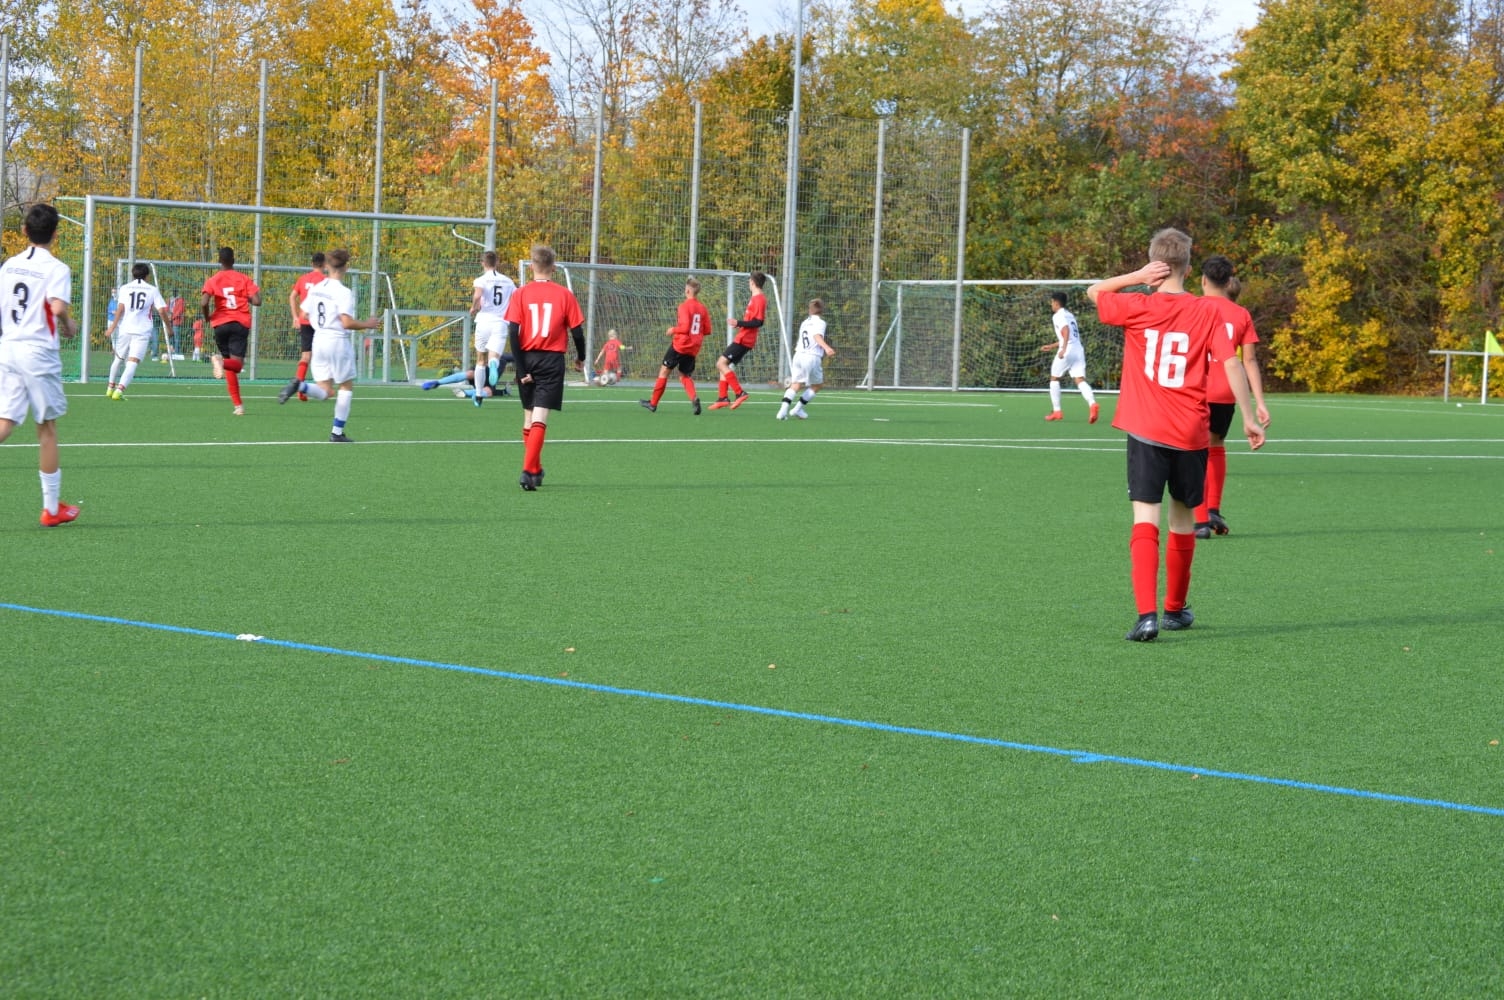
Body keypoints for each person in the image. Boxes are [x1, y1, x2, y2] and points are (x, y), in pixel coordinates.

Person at [1087, 227, 1266, 642]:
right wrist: (1248, 417)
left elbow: (1095, 291)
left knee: (1145, 517)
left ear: (1156, 265)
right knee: (1183, 520)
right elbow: (1232, 363)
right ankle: (1174, 609)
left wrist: (1137, 276)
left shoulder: (1137, 305)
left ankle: (1146, 616)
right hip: (1190, 431)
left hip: (1146, 428)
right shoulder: (1208, 311)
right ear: (1189, 268)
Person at [0, 204, 80, 526]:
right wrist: (69, 323)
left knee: (5, 420)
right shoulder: (56, 268)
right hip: (37, 351)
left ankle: (53, 507)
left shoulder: (9, 265)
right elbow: (56, 306)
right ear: (55, 234)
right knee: (46, 428)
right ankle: (51, 508)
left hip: (8, 347)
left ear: (24, 230)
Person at [1195, 258, 1270, 538]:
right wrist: (1259, 403)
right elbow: (1249, 361)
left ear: (1203, 280)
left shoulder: (1192, 307)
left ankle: (1199, 520)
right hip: (1227, 390)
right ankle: (1213, 508)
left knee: (1194, 451)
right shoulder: (1240, 314)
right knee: (1216, 445)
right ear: (1229, 282)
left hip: (1195, 389)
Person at [276, 249, 382, 442]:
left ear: (327, 266)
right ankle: (337, 433)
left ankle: (300, 385)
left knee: (326, 391)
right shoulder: (344, 292)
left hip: (319, 341)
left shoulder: (317, 287)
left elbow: (304, 314)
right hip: (337, 341)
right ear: (346, 267)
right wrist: (367, 324)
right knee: (346, 386)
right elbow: (346, 323)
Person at [505, 244, 585, 490]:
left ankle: (535, 469)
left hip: (526, 358)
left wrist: (521, 368)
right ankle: (527, 470)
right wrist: (581, 357)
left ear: (531, 267)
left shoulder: (520, 294)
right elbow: (577, 332)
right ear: (554, 268)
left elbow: (513, 332)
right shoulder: (565, 295)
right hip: (551, 360)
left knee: (529, 415)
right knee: (539, 416)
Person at [201, 246, 262, 415]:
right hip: (239, 323)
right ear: (233, 260)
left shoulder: (213, 280)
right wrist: (245, 297)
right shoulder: (243, 278)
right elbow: (257, 301)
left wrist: (207, 317)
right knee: (237, 365)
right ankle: (220, 361)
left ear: (219, 261)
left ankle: (238, 406)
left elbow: (204, 302)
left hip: (220, 324)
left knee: (229, 365)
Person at [640, 278, 712, 414]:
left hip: (680, 345)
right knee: (685, 375)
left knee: (664, 372)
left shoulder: (684, 306)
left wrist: (672, 330)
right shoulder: (703, 308)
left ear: (688, 290)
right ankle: (694, 398)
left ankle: (653, 403)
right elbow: (707, 330)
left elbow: (685, 327)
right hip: (693, 348)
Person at [103, 262, 171, 400]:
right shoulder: (152, 290)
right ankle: (119, 391)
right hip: (142, 330)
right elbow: (162, 310)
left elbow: (120, 309)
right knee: (132, 361)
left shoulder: (125, 288)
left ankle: (110, 388)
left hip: (125, 328)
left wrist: (112, 327)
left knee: (118, 358)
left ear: (133, 274)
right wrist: (169, 327)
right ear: (147, 276)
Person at [710, 271, 767, 409]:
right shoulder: (755, 297)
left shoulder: (759, 299)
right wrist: (740, 325)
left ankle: (739, 392)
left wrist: (739, 323)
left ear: (752, 282)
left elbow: (759, 322)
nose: (748, 283)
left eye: (749, 281)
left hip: (745, 339)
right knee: (724, 365)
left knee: (720, 363)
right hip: (743, 337)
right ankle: (723, 398)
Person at [1041, 290, 1099, 423]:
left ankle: (1057, 411)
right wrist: (1052, 346)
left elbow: (1065, 330)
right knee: (1080, 380)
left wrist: (1063, 349)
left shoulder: (1058, 315)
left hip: (1068, 349)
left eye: (1052, 302)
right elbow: (1069, 335)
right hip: (1078, 349)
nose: (1051, 305)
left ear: (1056, 303)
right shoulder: (1069, 314)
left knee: (1054, 378)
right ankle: (1092, 404)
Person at [470, 250, 517, 408]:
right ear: (497, 263)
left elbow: (478, 295)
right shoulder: (508, 281)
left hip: (483, 321)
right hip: (500, 323)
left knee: (480, 360)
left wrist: (474, 307)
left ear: (483, 263)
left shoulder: (481, 280)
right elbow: (516, 298)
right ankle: (494, 364)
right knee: (493, 357)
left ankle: (478, 394)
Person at [776, 299, 835, 420]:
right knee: (817, 385)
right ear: (822, 310)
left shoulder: (804, 322)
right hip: (811, 356)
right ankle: (797, 409)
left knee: (795, 384)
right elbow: (816, 336)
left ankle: (782, 411)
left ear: (810, 310)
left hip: (798, 355)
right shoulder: (821, 323)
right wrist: (827, 348)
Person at [287, 251, 327, 402]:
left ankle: (300, 388)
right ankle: (321, 387)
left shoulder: (303, 279)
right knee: (324, 355)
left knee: (306, 356)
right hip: (320, 323)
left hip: (304, 321)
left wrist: (295, 317)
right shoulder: (325, 281)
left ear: (312, 264)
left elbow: (292, 296)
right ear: (324, 264)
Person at [421, 360, 513, 398]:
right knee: (470, 373)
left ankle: (465, 393)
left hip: (489, 380)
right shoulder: (486, 347)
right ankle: (438, 382)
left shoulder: (503, 356)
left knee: (489, 391)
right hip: (480, 372)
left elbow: (517, 356)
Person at [168, 290, 186, 355]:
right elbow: (167, 308)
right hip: (169, 320)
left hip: (176, 320)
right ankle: (171, 351)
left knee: (176, 336)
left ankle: (177, 352)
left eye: (175, 292)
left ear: (177, 293)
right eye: (173, 292)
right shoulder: (170, 299)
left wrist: (172, 316)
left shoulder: (180, 300)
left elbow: (180, 310)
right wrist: (168, 315)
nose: (174, 293)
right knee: (170, 336)